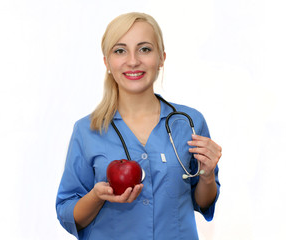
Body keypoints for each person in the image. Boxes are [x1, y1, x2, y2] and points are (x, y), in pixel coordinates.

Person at [56, 12, 222, 240]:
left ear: (162, 58)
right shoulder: (87, 130)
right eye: (120, 50)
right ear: (107, 62)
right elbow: (69, 214)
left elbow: (203, 203)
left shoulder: (188, 123)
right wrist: (96, 196)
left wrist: (207, 175)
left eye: (144, 49)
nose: (133, 61)